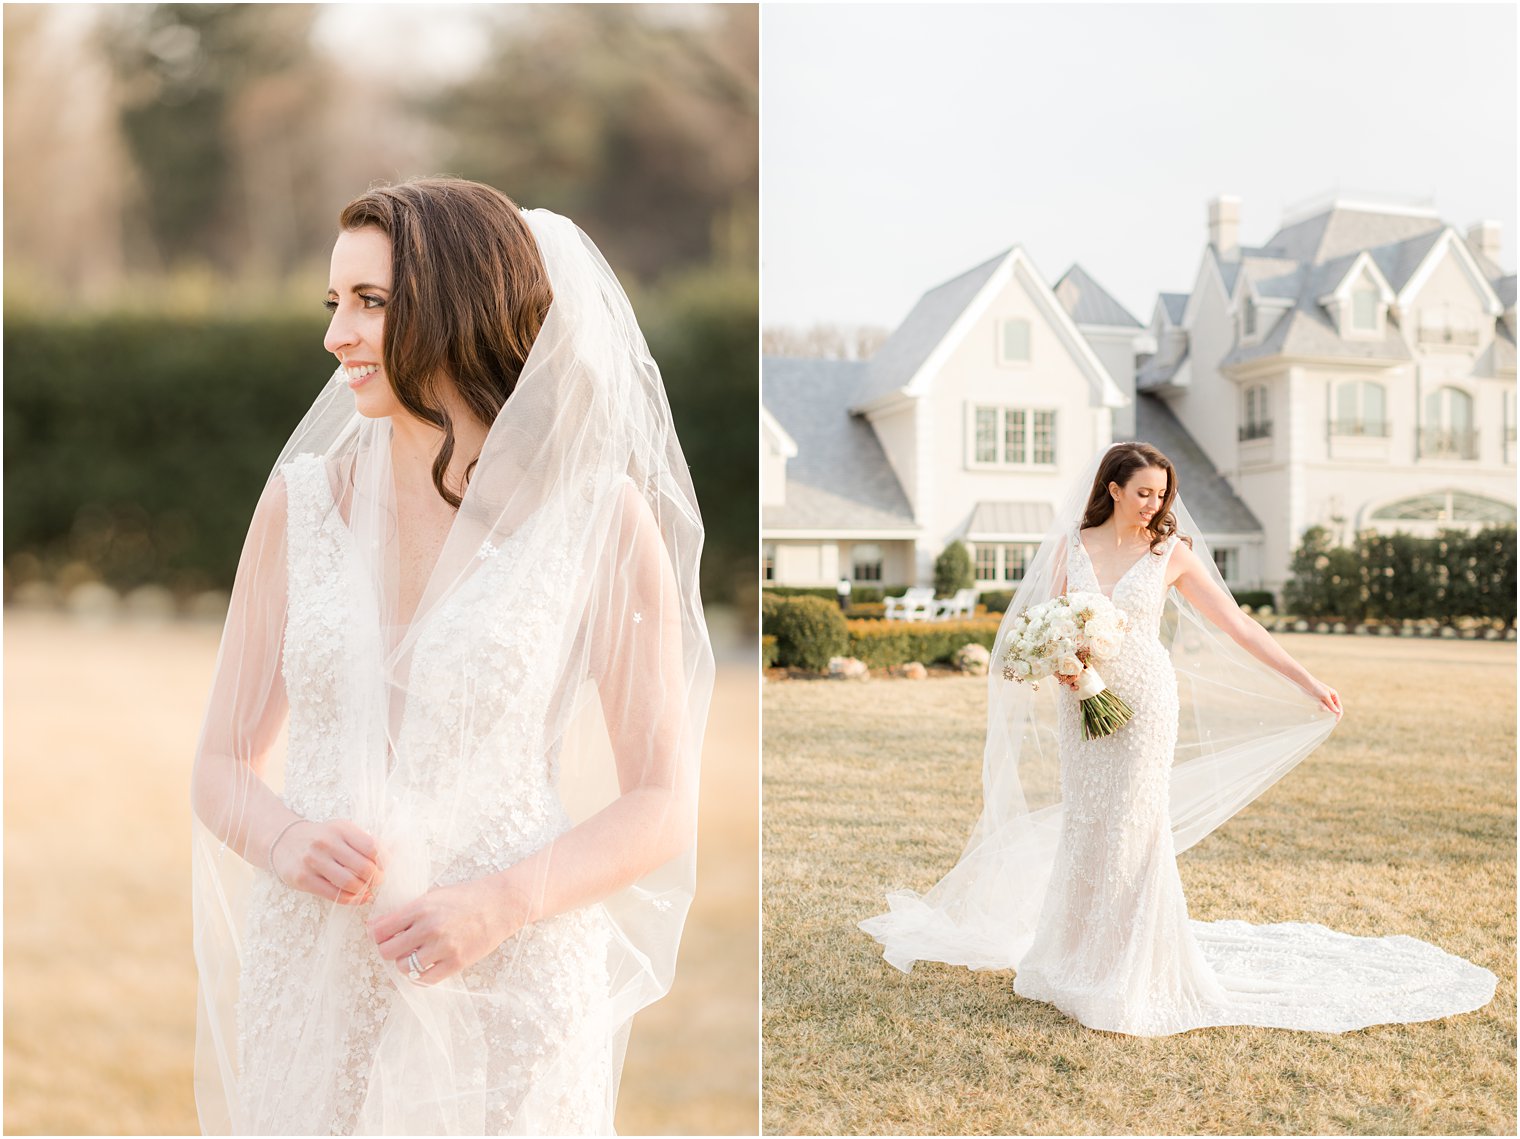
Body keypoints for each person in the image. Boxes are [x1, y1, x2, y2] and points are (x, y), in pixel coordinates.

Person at [190, 178, 714, 1133]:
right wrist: (283, 837)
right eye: (334, 302)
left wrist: (502, 904)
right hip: (313, 968)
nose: (335, 334)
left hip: (508, 972)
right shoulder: (301, 505)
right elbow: (221, 766)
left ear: (458, 305)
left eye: (370, 302)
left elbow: (662, 804)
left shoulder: (597, 518)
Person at [861, 441, 1495, 1036]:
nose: (1154, 505)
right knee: (1090, 821)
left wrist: (1307, 679)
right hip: (1080, 701)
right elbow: (1038, 624)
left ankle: (1130, 969)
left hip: (1147, 701)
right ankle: (1071, 957)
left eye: (1161, 494)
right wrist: (1062, 665)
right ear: (1112, 489)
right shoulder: (1069, 548)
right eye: (1142, 492)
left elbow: (1238, 625)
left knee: (1135, 823)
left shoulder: (1173, 553)